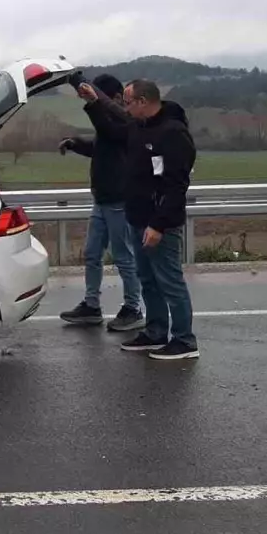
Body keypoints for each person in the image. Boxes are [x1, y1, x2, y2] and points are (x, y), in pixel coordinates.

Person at [75, 77, 199, 360]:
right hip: (136, 217)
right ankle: (155, 332)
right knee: (148, 279)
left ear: (143, 101)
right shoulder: (138, 128)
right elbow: (111, 130)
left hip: (159, 223)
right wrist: (93, 104)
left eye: (129, 102)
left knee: (170, 280)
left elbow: (175, 186)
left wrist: (158, 224)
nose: (126, 107)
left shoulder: (172, 134)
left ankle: (184, 340)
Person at [57, 73, 144, 332]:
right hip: (102, 199)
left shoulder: (130, 123)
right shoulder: (112, 122)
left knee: (123, 257)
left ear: (115, 98)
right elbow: (101, 145)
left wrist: (93, 104)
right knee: (93, 254)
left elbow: (111, 132)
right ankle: (92, 306)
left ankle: (133, 308)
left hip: (118, 200)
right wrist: (76, 144)